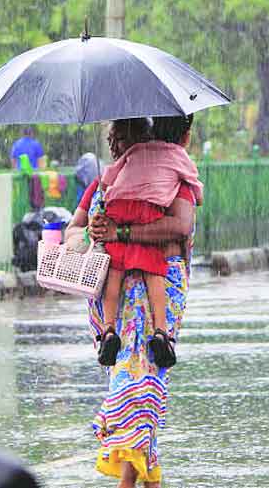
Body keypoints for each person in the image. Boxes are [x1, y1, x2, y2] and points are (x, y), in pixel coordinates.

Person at [63, 116, 197, 488]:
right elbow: (75, 226)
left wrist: (123, 231)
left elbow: (180, 227)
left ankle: (128, 481)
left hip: (151, 303)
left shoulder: (172, 181)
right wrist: (84, 235)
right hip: (111, 299)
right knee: (133, 381)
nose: (116, 145)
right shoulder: (103, 184)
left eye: (125, 137)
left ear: (145, 139)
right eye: (113, 138)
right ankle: (149, 480)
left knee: (137, 383)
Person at [95, 117, 203, 369]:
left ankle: (108, 329)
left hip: (119, 210)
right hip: (146, 214)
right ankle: (161, 332)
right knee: (154, 274)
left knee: (114, 277)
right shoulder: (177, 162)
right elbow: (182, 225)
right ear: (185, 137)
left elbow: (110, 176)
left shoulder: (135, 154)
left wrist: (107, 192)